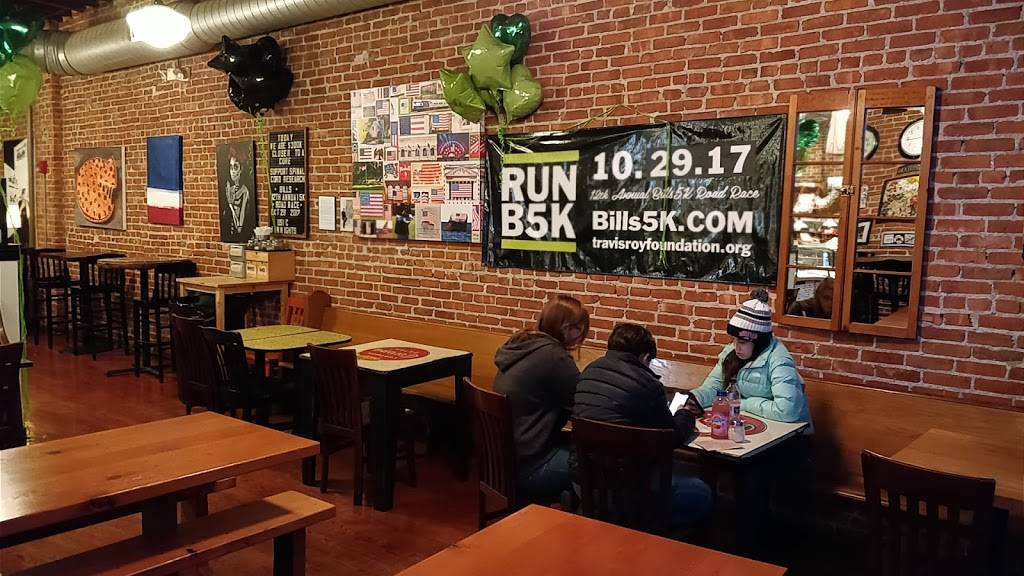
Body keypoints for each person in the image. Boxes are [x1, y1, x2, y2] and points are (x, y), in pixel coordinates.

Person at [574, 323, 713, 529]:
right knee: (702, 493)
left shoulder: (588, 373)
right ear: (645, 357)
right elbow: (672, 437)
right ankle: (651, 533)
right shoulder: (647, 385)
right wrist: (685, 414)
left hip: (584, 486)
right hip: (631, 493)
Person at [493, 295, 589, 501]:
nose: (581, 335)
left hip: (502, 459)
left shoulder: (523, 343)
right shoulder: (553, 356)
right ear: (567, 328)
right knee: (603, 471)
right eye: (580, 329)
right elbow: (583, 400)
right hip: (529, 465)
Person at [687, 289, 811, 425]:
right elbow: (715, 385)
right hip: (749, 424)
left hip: (791, 432)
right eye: (734, 339)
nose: (736, 347)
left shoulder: (779, 360)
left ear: (758, 342)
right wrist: (696, 399)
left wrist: (742, 403)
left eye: (742, 342)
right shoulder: (732, 352)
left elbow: (787, 411)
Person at [219, 146, 255, 243]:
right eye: (231, 168)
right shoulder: (229, 190)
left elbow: (239, 227)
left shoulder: (244, 191)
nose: (233, 172)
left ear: (241, 169)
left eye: (235, 167)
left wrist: (230, 205)